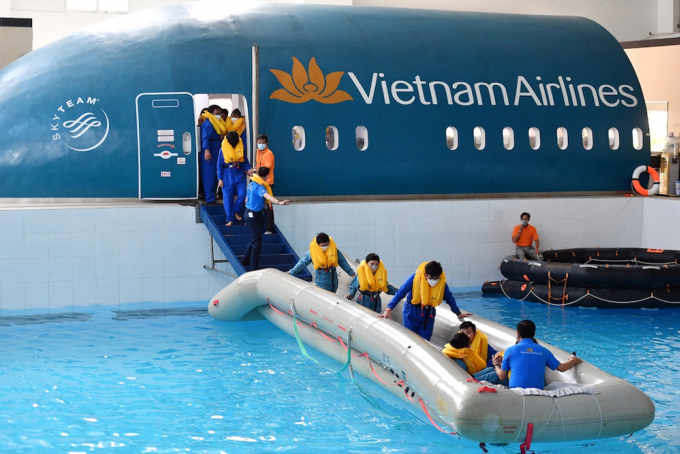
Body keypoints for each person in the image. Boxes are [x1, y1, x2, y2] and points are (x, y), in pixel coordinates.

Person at [379, 261, 473, 341]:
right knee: (411, 339)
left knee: (425, 341)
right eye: (431, 278)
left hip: (429, 314)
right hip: (412, 312)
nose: (434, 280)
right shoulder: (414, 278)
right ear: (425, 274)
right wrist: (388, 309)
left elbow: (449, 298)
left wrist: (458, 313)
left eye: (437, 278)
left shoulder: (441, 283)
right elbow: (400, 293)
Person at [492, 320, 583, 389]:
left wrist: (496, 364)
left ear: (518, 334)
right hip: (538, 393)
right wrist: (573, 361)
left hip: (516, 392)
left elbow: (502, 377)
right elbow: (562, 368)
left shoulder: (510, 350)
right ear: (534, 333)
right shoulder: (543, 350)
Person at [241, 167, 289, 271]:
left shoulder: (251, 184)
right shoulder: (259, 186)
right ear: (266, 176)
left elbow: (246, 199)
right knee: (257, 242)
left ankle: (245, 260)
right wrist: (278, 202)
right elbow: (267, 196)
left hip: (248, 213)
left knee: (255, 238)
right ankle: (253, 268)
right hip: (253, 216)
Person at [288, 232, 356, 293]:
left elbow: (342, 261)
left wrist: (350, 272)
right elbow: (303, 263)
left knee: (333, 294)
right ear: (318, 244)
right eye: (322, 245)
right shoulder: (312, 253)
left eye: (326, 245)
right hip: (321, 277)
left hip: (332, 276)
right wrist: (292, 272)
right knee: (323, 294)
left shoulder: (334, 251)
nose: (325, 247)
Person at [218, 131, 252, 226]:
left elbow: (245, 162)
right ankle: (230, 219)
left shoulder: (240, 149)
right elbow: (219, 165)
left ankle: (236, 211)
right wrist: (220, 178)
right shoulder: (222, 150)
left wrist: (248, 169)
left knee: (242, 194)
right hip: (226, 175)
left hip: (239, 174)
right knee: (228, 199)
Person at [200, 105, 225, 204]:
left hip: (217, 147)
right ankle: (209, 198)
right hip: (210, 148)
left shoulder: (216, 123)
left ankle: (213, 194)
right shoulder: (207, 124)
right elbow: (205, 138)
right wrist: (206, 150)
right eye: (216, 114)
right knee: (209, 173)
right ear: (210, 113)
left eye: (220, 114)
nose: (218, 116)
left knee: (216, 172)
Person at [255, 134, 276, 234]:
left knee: (268, 207)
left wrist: (255, 171)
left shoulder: (269, 154)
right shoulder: (258, 152)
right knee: (259, 205)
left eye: (263, 143)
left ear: (266, 143)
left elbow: (265, 169)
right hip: (259, 182)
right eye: (259, 143)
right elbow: (258, 165)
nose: (261, 144)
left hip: (267, 183)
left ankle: (269, 228)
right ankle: (259, 224)